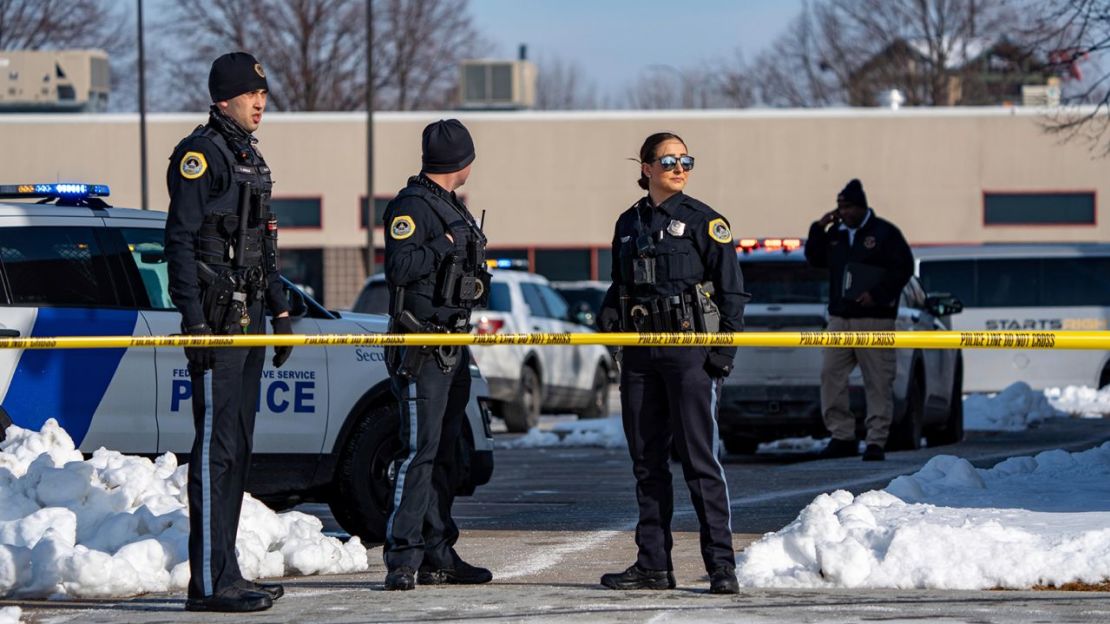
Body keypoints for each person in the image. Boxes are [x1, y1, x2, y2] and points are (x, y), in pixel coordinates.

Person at [165, 52, 294, 613]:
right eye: (251, 94)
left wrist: (283, 311)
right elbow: (180, 244)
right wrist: (193, 321)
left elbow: (262, 247)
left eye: (263, 94)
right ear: (224, 98)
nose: (261, 102)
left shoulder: (246, 156)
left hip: (250, 320)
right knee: (216, 452)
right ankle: (210, 584)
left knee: (237, 450)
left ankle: (227, 571)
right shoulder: (201, 155)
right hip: (217, 323)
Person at [597, 132, 749, 595]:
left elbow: (733, 294)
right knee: (647, 463)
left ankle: (721, 566)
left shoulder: (706, 222)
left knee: (701, 463)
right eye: (668, 160)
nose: (679, 168)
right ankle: (653, 565)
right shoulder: (627, 224)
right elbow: (619, 286)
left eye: (686, 160)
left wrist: (721, 354)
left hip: (689, 356)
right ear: (645, 167)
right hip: (641, 354)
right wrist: (606, 318)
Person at [381, 119, 493, 591]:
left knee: (444, 455)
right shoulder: (413, 206)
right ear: (462, 161)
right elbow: (400, 267)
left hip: (452, 344)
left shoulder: (452, 208)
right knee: (418, 454)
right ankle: (402, 558)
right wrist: (444, 245)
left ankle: (438, 554)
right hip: (421, 347)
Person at [804, 178, 914, 462]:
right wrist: (819, 228)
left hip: (874, 318)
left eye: (849, 207)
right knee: (831, 375)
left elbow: (903, 268)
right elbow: (814, 258)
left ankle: (876, 440)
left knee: (877, 381)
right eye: (840, 207)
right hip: (840, 318)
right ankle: (842, 436)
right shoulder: (837, 234)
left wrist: (877, 295)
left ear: (862, 207)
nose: (843, 212)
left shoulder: (885, 233)